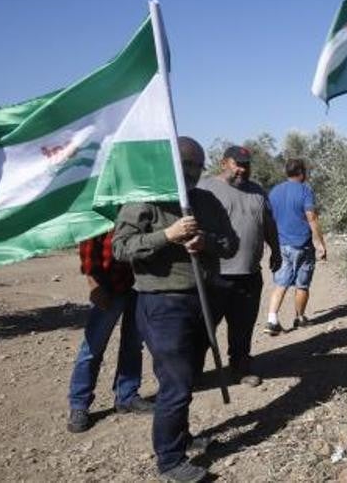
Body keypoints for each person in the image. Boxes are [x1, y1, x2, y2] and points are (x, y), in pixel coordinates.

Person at [113, 136, 238, 483]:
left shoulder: (206, 201)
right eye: (185, 165)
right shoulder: (144, 200)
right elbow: (121, 249)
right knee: (176, 383)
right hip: (162, 303)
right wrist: (166, 236)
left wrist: (206, 242)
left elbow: (232, 244)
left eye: (197, 165)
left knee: (189, 376)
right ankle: (170, 461)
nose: (192, 173)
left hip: (202, 299)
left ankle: (182, 437)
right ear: (169, 165)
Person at [198, 145, 281, 387]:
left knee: (242, 326)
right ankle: (192, 372)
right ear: (224, 163)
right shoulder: (205, 188)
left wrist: (276, 250)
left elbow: (268, 224)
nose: (243, 169)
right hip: (215, 274)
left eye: (247, 165)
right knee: (204, 327)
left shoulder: (257, 191)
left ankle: (240, 367)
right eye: (238, 164)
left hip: (249, 274)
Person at [65, 230, 153, 433]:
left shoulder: (142, 203)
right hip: (109, 286)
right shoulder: (105, 207)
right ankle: (79, 405)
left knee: (133, 345)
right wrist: (93, 284)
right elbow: (88, 244)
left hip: (140, 284)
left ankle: (127, 396)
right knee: (93, 347)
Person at [264, 157, 328, 334]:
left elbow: (268, 219)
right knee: (302, 283)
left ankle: (272, 319)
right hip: (302, 245)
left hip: (281, 244)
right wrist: (320, 244)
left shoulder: (274, 191)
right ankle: (300, 318)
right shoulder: (305, 191)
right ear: (301, 173)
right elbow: (311, 217)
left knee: (281, 282)